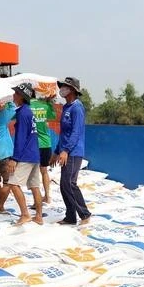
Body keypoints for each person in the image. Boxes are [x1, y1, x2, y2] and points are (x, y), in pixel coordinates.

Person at [53, 76, 91, 226]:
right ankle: (70, 216)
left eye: (65, 87)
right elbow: (63, 133)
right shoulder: (66, 107)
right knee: (64, 185)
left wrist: (66, 150)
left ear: (73, 90)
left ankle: (85, 214)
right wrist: (57, 151)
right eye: (62, 86)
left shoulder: (77, 107)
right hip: (65, 151)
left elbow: (75, 132)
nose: (62, 89)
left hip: (74, 152)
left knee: (69, 183)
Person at [6, 83, 42, 225]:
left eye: (16, 93)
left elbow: (20, 138)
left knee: (13, 184)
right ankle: (39, 216)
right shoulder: (29, 111)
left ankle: (25, 214)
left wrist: (14, 159)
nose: (14, 95)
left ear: (22, 97)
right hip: (34, 154)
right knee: (35, 186)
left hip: (25, 155)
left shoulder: (22, 113)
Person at [30, 95, 57, 204]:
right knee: (44, 172)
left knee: (34, 173)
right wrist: (49, 102)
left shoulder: (27, 107)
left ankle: (36, 201)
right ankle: (47, 196)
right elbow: (52, 116)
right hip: (46, 143)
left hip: (34, 144)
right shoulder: (44, 105)